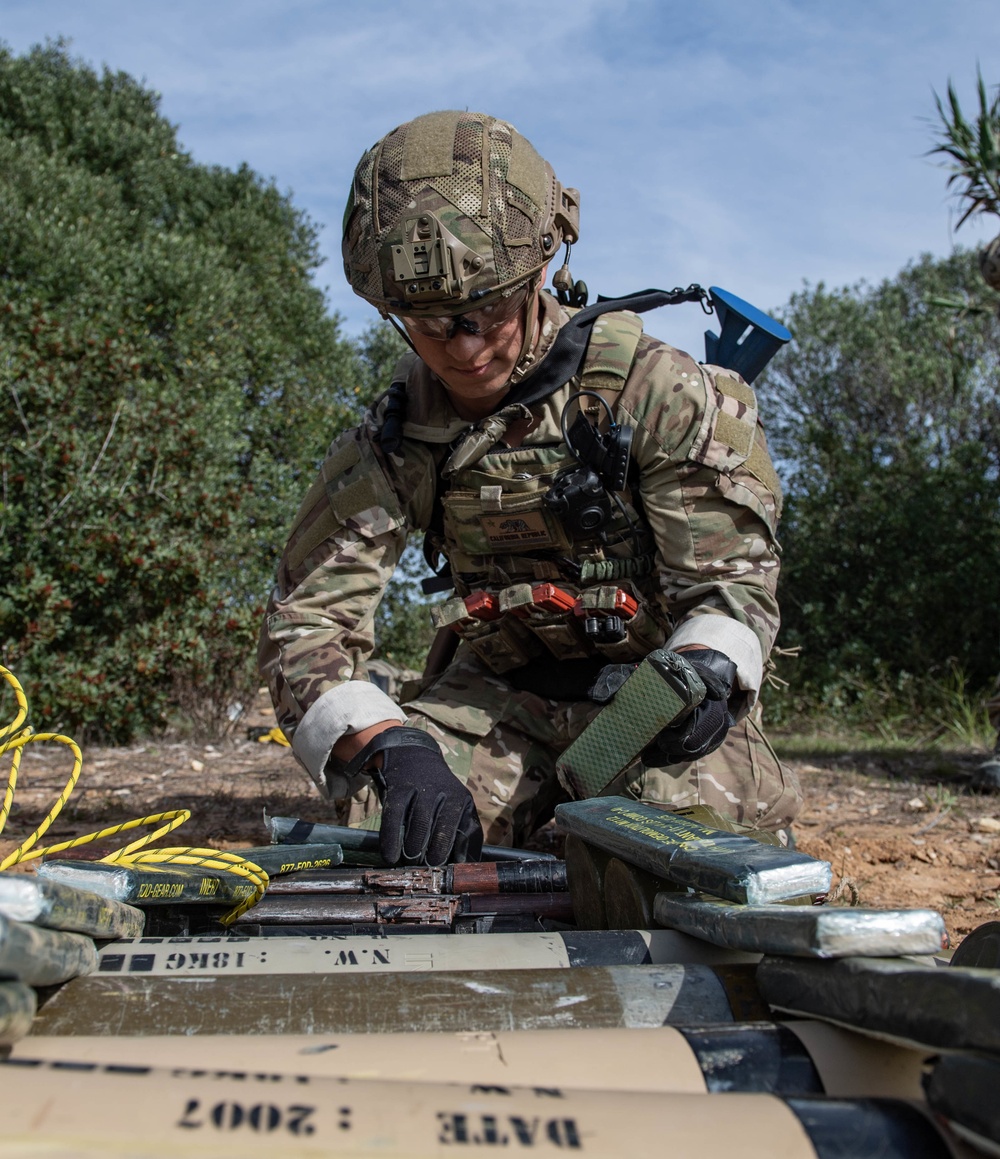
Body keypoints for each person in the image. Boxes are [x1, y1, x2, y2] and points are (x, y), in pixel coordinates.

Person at [259, 110, 802, 866]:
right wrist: (393, 747)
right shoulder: (393, 440)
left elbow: (733, 590)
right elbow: (306, 623)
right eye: (428, 324)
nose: (464, 346)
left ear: (539, 273)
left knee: (687, 846)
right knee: (400, 836)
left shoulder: (656, 391)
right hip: (498, 698)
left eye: (482, 311)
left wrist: (705, 673)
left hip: (653, 700)